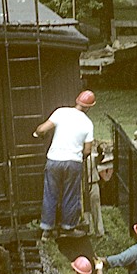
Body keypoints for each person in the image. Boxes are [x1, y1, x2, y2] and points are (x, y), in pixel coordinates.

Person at [34, 90, 95, 239]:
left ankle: (47, 230)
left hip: (54, 160)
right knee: (71, 195)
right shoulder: (88, 123)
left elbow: (41, 129)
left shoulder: (61, 112)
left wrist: (39, 134)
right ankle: (68, 228)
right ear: (89, 107)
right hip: (73, 162)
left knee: (50, 193)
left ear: (77, 100)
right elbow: (87, 150)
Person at [85, 145, 108, 238]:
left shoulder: (92, 156)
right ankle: (88, 230)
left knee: (96, 208)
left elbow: (100, 158)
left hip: (93, 183)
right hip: (83, 186)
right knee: (85, 210)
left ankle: (99, 231)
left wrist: (100, 151)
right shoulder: (77, 157)